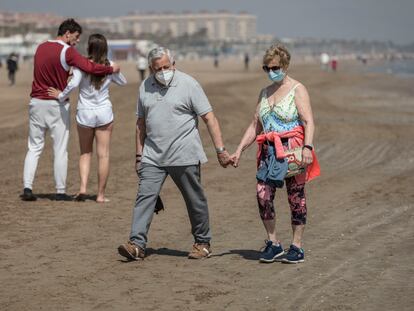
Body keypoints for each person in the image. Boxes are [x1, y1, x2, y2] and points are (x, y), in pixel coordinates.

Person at [117, 46, 231, 261]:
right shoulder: (145, 86)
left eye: (166, 67)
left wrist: (220, 150)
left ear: (174, 65)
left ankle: (202, 242)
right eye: (157, 68)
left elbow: (209, 118)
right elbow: (140, 124)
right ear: (150, 69)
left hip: (184, 153)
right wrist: (139, 156)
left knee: (194, 199)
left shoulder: (189, 84)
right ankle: (137, 245)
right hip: (152, 155)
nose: (162, 71)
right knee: (145, 198)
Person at [230, 44, 320, 264]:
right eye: (266, 68)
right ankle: (273, 243)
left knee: (295, 197)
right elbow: (255, 126)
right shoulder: (264, 92)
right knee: (263, 195)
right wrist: (239, 150)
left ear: (285, 66)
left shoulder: (297, 89)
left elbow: (308, 121)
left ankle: (296, 247)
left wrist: (308, 148)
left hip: (293, 150)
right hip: (268, 151)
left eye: (275, 67)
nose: (271, 71)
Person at [21, 19, 120, 202]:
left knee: (34, 147)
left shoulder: (41, 47)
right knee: (60, 149)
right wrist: (110, 69)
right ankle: (60, 191)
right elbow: (90, 67)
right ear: (67, 33)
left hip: (35, 101)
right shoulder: (68, 52)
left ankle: (27, 187)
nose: (75, 42)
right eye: (75, 38)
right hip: (56, 104)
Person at [47, 34, 127, 203]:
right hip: (104, 113)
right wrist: (115, 70)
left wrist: (61, 95)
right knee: (103, 155)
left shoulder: (81, 65)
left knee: (85, 153)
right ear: (105, 48)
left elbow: (74, 84)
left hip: (85, 113)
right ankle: (100, 195)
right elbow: (123, 82)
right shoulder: (110, 66)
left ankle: (82, 189)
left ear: (89, 47)